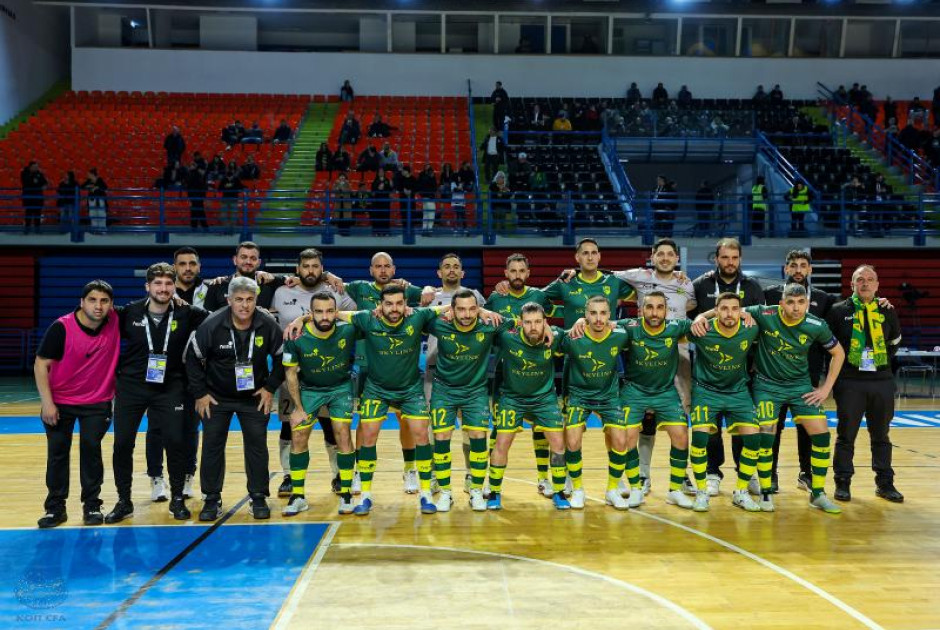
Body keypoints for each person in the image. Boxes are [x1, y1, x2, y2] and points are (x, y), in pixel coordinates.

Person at [692, 283, 846, 513]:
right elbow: (728, 309)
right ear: (781, 302)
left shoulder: (816, 325)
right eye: (790, 302)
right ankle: (765, 493)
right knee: (764, 437)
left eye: (801, 302)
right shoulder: (765, 313)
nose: (795, 307)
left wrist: (826, 389)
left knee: (822, 436)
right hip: (767, 386)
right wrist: (699, 317)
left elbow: (838, 353)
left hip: (800, 387)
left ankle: (818, 494)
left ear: (807, 303)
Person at [104, 263, 209, 524]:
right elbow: (92, 315)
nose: (163, 288)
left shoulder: (188, 313)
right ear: (148, 286)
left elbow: (224, 316)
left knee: (175, 441)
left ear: (174, 287)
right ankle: (124, 500)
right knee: (122, 444)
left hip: (171, 386)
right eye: (158, 284)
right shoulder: (129, 312)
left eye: (168, 284)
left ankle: (176, 499)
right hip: (131, 387)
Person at [334, 287, 445, 515]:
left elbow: (450, 308)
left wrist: (482, 312)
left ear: (406, 304)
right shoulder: (366, 318)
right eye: (388, 304)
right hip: (377, 389)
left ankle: (425, 494)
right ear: (380, 305)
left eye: (398, 303)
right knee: (367, 435)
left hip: (410, 389)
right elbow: (334, 314)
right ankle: (365, 495)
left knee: (422, 434)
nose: (393, 309)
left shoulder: (418, 316)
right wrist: (301, 318)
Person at [186, 276, 284, 521]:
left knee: (257, 447)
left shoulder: (268, 323)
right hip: (216, 398)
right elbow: (192, 359)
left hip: (254, 398)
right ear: (229, 300)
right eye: (239, 299)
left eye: (250, 300)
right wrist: (200, 393)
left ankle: (259, 496)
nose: (244, 305)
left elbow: (284, 358)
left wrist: (270, 387)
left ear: (256, 300)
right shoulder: (212, 324)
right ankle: (211, 498)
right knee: (211, 447)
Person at [34, 280, 121, 528]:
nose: (98, 306)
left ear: (111, 306)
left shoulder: (115, 320)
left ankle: (92, 505)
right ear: (81, 302)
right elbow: (41, 364)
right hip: (60, 402)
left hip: (97, 401)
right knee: (58, 454)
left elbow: (148, 309)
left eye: (104, 301)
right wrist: (47, 403)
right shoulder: (61, 328)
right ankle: (55, 508)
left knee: (91, 451)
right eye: (92, 300)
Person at [271, 249, 357, 498]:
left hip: (330, 371)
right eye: (305, 266)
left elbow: (347, 315)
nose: (310, 270)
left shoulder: (337, 290)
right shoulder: (281, 291)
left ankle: (340, 476)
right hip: (293, 370)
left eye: (316, 266)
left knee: (334, 429)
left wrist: (306, 317)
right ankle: (289, 476)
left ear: (323, 269)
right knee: (291, 427)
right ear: (297, 269)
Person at [344, 253, 430, 492]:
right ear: (371, 270)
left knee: (408, 421)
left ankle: (410, 469)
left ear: (394, 269)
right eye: (378, 267)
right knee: (365, 423)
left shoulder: (407, 290)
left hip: (402, 368)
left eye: (386, 266)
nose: (382, 270)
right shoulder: (359, 288)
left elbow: (430, 294)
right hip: (367, 367)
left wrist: (420, 297)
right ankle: (361, 471)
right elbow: (331, 284)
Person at [427, 290, 512, 511]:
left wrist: (485, 311)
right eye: (461, 309)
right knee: (441, 436)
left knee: (477, 437)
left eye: (472, 308)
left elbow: (519, 322)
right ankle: (446, 493)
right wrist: (442, 309)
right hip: (444, 391)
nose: (466, 314)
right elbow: (415, 315)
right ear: (452, 310)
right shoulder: (440, 324)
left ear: (478, 309)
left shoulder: (488, 325)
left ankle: (475, 490)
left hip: (475, 391)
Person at [692, 238, 764, 495]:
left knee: (742, 426)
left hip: (742, 371)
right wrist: (703, 315)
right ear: (716, 258)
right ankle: (713, 472)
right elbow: (690, 319)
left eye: (734, 258)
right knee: (710, 427)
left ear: (740, 259)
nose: (729, 262)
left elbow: (762, 321)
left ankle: (746, 471)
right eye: (725, 257)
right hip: (708, 368)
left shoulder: (753, 286)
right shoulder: (700, 284)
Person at [827, 265, 904, 503]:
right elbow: (829, 346)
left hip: (881, 381)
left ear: (877, 285)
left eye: (870, 280)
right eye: (860, 279)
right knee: (846, 435)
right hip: (850, 381)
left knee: (881, 435)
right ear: (852, 284)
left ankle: (885, 483)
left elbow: (895, 341)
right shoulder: (838, 311)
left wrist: (881, 362)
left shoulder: (886, 310)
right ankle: (843, 482)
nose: (865, 284)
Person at [485, 254, 559, 497]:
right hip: (505, 369)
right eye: (512, 271)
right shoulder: (496, 297)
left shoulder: (538, 296)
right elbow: (487, 320)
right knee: (499, 430)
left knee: (542, 429)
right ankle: (490, 478)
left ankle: (543, 478)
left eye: (521, 271)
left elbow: (549, 318)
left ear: (528, 273)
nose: (517, 275)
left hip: (537, 366)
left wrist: (546, 326)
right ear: (505, 273)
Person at [613, 292, 694, 509]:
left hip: (665, 391)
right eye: (650, 307)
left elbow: (701, 324)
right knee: (628, 437)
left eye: (660, 307)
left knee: (681, 436)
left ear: (666, 311)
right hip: (634, 390)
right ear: (641, 310)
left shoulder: (676, 327)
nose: (655, 312)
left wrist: (710, 314)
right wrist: (583, 320)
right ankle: (636, 488)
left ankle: (675, 490)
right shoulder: (629, 326)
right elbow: (601, 324)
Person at [281, 291, 359, 516]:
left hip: (340, 388)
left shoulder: (348, 329)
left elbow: (369, 316)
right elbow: (291, 373)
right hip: (310, 390)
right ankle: (298, 496)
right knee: (298, 434)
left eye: (329, 311)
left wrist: (303, 317)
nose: (324, 316)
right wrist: (298, 408)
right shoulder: (295, 336)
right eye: (318, 312)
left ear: (336, 312)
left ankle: (345, 494)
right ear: (310, 313)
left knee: (342, 433)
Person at [763, 251, 835, 494]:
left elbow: (830, 341)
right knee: (774, 425)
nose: (798, 270)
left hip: (808, 375)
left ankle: (806, 473)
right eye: (793, 265)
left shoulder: (824, 299)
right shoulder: (771, 295)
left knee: (808, 426)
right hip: (774, 374)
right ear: (786, 269)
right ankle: (770, 473)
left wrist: (825, 383)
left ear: (810, 270)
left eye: (803, 266)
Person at [686, 292, 762, 512]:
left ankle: (740, 491)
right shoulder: (702, 329)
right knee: (700, 438)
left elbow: (775, 313)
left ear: (741, 311)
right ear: (716, 310)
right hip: (705, 391)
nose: (729, 313)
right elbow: (670, 329)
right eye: (724, 308)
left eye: (734, 309)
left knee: (753, 439)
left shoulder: (751, 328)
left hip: (738, 391)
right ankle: (701, 492)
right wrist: (700, 316)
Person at [488, 303, 567, 510]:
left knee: (558, 444)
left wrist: (580, 320)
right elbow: (488, 319)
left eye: (538, 322)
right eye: (528, 322)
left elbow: (580, 332)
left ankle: (559, 492)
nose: (533, 327)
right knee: (501, 443)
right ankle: (494, 492)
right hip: (512, 398)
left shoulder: (556, 337)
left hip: (545, 399)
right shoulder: (508, 337)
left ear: (545, 323)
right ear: (520, 323)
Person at [558, 297, 631, 510]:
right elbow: (549, 334)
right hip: (579, 395)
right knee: (572, 439)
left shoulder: (620, 335)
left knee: (620, 440)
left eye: (603, 313)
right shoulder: (573, 336)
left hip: (608, 396)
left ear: (610, 315)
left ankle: (612, 490)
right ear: (585, 314)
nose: (598, 318)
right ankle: (578, 489)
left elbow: (639, 324)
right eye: (593, 313)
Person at [203, 241, 288, 312]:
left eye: (253, 258)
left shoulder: (268, 282)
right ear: (235, 260)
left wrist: (273, 276)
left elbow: (295, 280)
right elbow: (208, 319)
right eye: (243, 257)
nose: (248, 261)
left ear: (258, 263)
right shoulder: (218, 285)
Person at [21, 161, 47, 234]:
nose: (36, 168)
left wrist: (44, 185)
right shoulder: (24, 173)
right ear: (30, 167)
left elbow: (44, 182)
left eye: (37, 167)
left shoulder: (39, 174)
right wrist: (35, 183)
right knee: (28, 213)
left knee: (37, 213)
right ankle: (27, 229)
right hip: (29, 197)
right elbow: (26, 183)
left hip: (38, 197)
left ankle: (37, 229)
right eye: (35, 167)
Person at [217, 163, 242, 230]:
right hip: (225, 199)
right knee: (223, 214)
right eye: (228, 177)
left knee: (234, 214)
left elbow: (241, 187)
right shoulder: (224, 179)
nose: (229, 178)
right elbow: (219, 189)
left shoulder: (236, 179)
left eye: (230, 177)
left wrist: (232, 187)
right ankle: (226, 227)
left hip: (234, 199)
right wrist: (225, 187)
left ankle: (232, 228)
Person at [82, 169, 108, 233]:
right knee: (92, 214)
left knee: (101, 214)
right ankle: (94, 230)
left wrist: (97, 187)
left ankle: (102, 230)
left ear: (92, 174)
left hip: (100, 200)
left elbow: (105, 187)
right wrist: (88, 186)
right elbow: (82, 186)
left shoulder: (100, 180)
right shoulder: (88, 181)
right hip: (91, 200)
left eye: (89, 174)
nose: (87, 175)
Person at [186, 161, 209, 231]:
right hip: (198, 195)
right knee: (199, 211)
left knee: (196, 211)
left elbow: (189, 186)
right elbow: (201, 186)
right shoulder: (197, 174)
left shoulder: (192, 174)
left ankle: (195, 226)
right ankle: (203, 226)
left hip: (195, 195)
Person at [417, 164, 438, 235]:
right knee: (431, 213)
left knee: (425, 214)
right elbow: (434, 187)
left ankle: (424, 229)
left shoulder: (423, 176)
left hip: (425, 197)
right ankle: (429, 230)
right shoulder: (429, 177)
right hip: (429, 197)